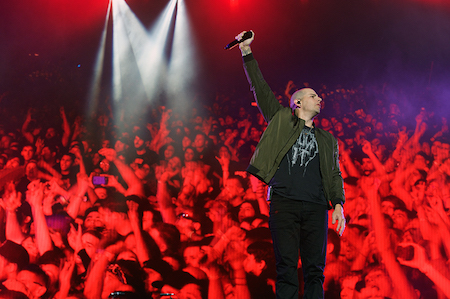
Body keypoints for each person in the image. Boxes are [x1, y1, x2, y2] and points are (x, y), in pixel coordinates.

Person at [234, 30, 346, 299]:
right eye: (313, 96)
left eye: (319, 96)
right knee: (286, 268)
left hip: (317, 206)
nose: (319, 99)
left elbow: (333, 174)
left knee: (315, 270)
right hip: (284, 202)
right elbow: (260, 89)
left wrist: (339, 204)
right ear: (297, 103)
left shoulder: (328, 139)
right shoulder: (281, 119)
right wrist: (246, 52)